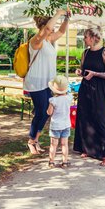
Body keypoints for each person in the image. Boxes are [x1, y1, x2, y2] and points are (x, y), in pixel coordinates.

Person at [24, 9, 70, 155]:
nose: (54, 27)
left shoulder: (49, 40)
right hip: (36, 82)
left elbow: (61, 31)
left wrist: (66, 18)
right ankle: (31, 140)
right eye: (51, 25)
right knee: (41, 111)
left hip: (47, 82)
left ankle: (35, 139)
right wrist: (58, 13)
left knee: (46, 112)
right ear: (44, 27)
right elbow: (49, 28)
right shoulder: (36, 40)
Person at [73, 27, 105, 167]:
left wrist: (95, 74)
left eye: (85, 37)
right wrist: (81, 72)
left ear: (92, 37)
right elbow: (83, 68)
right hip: (85, 88)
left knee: (100, 119)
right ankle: (88, 148)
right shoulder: (85, 52)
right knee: (85, 118)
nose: (84, 39)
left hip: (99, 90)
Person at [46, 75, 72, 168]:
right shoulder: (69, 98)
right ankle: (65, 162)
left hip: (56, 126)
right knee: (64, 144)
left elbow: (49, 112)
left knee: (53, 144)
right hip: (66, 124)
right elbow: (69, 93)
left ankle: (51, 162)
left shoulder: (53, 100)